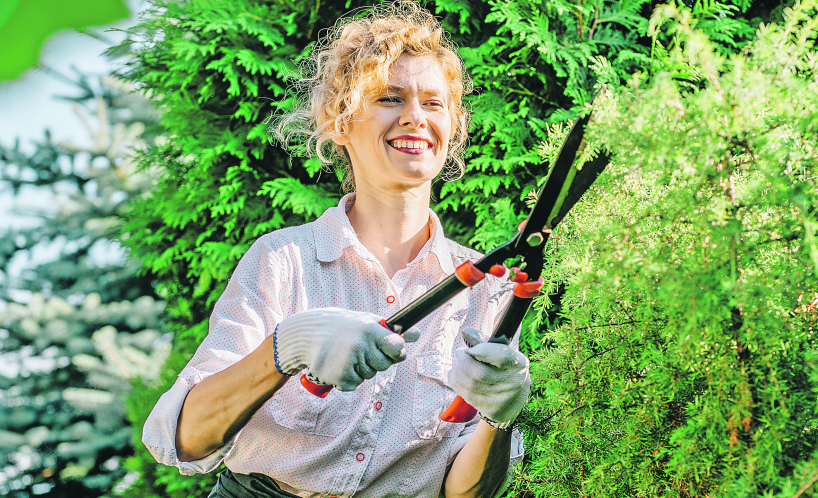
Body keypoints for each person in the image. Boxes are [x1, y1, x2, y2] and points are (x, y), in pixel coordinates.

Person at [141, 3, 530, 497]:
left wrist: (498, 417)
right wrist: (288, 348)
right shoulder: (282, 262)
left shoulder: (486, 290)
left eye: (434, 103)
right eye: (390, 98)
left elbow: (466, 494)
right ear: (338, 121)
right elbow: (186, 439)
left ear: (453, 127)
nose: (415, 117)